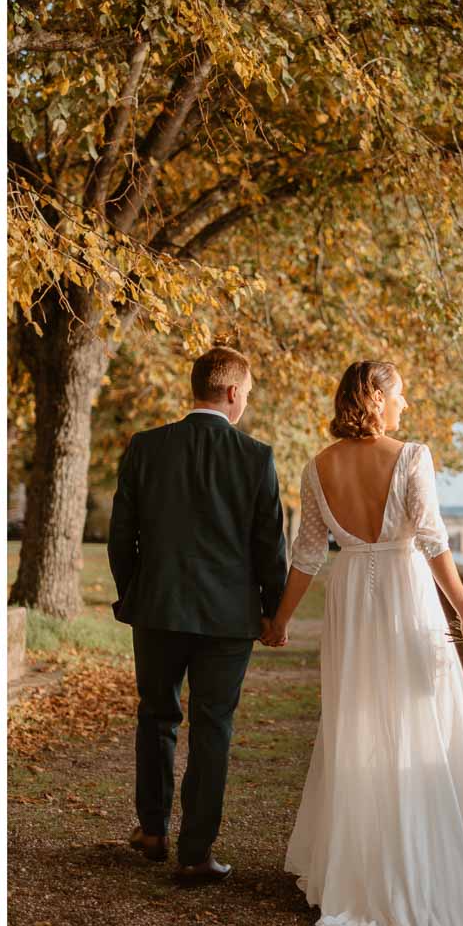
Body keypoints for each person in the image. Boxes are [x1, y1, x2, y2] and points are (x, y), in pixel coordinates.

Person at [265, 360, 463, 926]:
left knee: (355, 719)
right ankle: (413, 858)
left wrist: (280, 619)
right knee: (415, 717)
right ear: (376, 398)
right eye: (400, 393)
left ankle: (357, 863)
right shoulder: (413, 457)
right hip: (406, 593)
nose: (406, 403)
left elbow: (307, 555)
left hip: (351, 599)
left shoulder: (317, 466)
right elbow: (431, 541)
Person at [107, 345, 289, 881]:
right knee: (213, 728)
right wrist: (271, 613)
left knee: (156, 716)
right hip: (228, 619)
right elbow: (268, 546)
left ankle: (153, 828)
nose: (246, 404)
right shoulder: (256, 457)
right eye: (247, 395)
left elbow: (123, 535)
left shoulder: (146, 447)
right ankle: (196, 852)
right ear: (232, 392)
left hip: (157, 610)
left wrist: (133, 593)